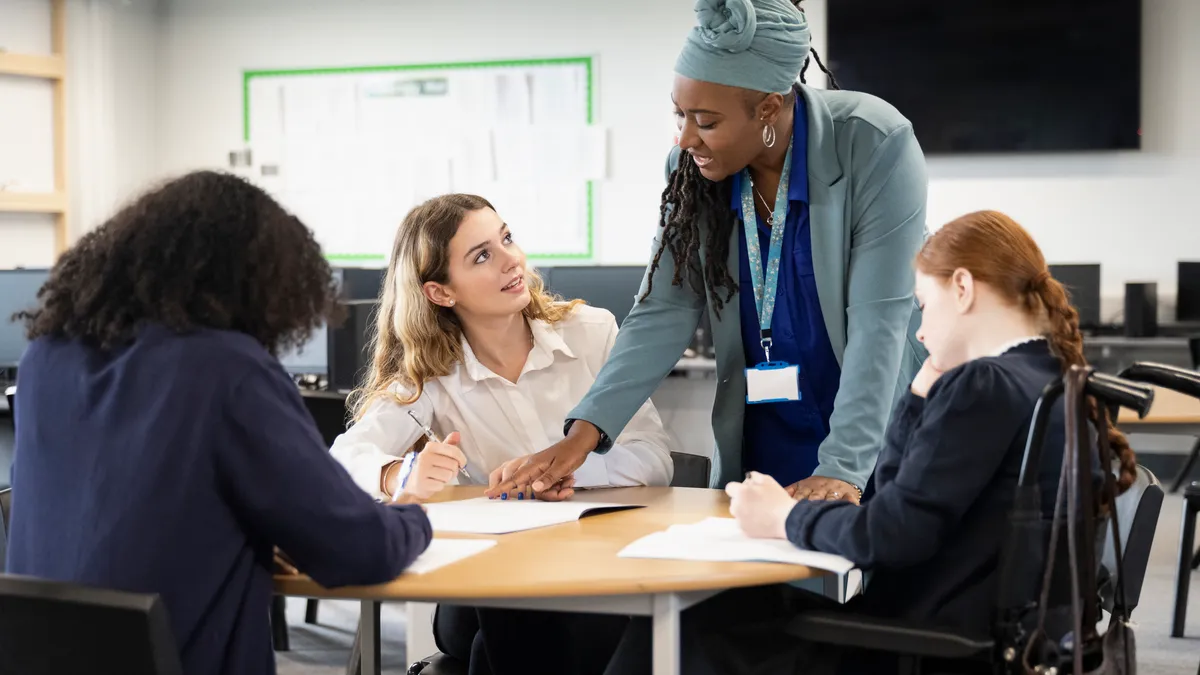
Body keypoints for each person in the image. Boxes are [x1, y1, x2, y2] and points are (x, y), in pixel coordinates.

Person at [603, 210, 1139, 675]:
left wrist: (782, 517)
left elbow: (893, 530)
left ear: (962, 288)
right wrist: (919, 392)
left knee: (691, 623)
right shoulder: (1052, 377)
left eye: (923, 307)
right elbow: (897, 495)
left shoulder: (985, 385)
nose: (922, 332)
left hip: (918, 644)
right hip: (987, 635)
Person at [488, 0, 928, 505]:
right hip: (766, 424)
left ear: (767, 107)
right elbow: (663, 308)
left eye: (707, 120)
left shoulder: (872, 143)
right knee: (761, 578)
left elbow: (879, 321)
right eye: (680, 114)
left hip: (870, 428)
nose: (685, 137)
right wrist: (581, 438)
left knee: (880, 572)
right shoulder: (692, 169)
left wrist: (844, 469)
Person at [5, 171, 433, 675]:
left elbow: (119, 509)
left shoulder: (46, 358)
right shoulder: (227, 369)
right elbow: (360, 551)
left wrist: (239, 538)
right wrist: (415, 515)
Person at [328, 193, 674, 675]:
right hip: (485, 585)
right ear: (441, 292)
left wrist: (566, 468)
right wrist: (400, 471)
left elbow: (653, 455)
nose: (512, 259)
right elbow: (344, 458)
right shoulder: (430, 372)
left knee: (520, 642)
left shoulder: (592, 334)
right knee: (519, 612)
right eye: (482, 256)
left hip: (596, 563)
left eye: (506, 238)